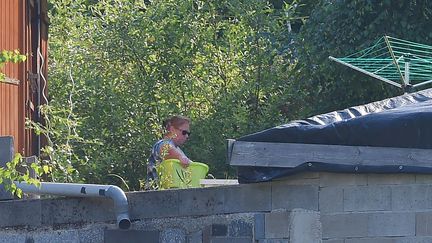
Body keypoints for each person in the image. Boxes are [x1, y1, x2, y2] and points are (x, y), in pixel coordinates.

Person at [146, 115, 192, 189]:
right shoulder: (162, 144)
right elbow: (166, 148)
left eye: (188, 134)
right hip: (155, 194)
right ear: (172, 129)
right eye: (184, 132)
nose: (186, 136)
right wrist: (181, 157)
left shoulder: (177, 149)